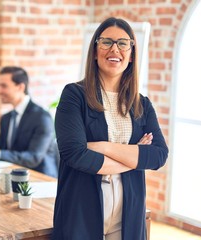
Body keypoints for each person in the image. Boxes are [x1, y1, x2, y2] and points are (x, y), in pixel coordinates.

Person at [51, 17, 169, 240]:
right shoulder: (74, 96)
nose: (115, 49)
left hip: (128, 216)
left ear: (131, 55)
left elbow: (159, 155)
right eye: (106, 42)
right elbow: (75, 154)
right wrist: (133, 158)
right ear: (95, 51)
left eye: (123, 43)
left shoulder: (141, 104)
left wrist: (102, 146)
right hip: (81, 210)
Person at [0, 66, 57, 177]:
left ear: (20, 87)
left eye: (4, 86)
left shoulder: (42, 117)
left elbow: (33, 158)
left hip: (40, 179)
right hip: (14, 177)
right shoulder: (6, 118)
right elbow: (1, 150)